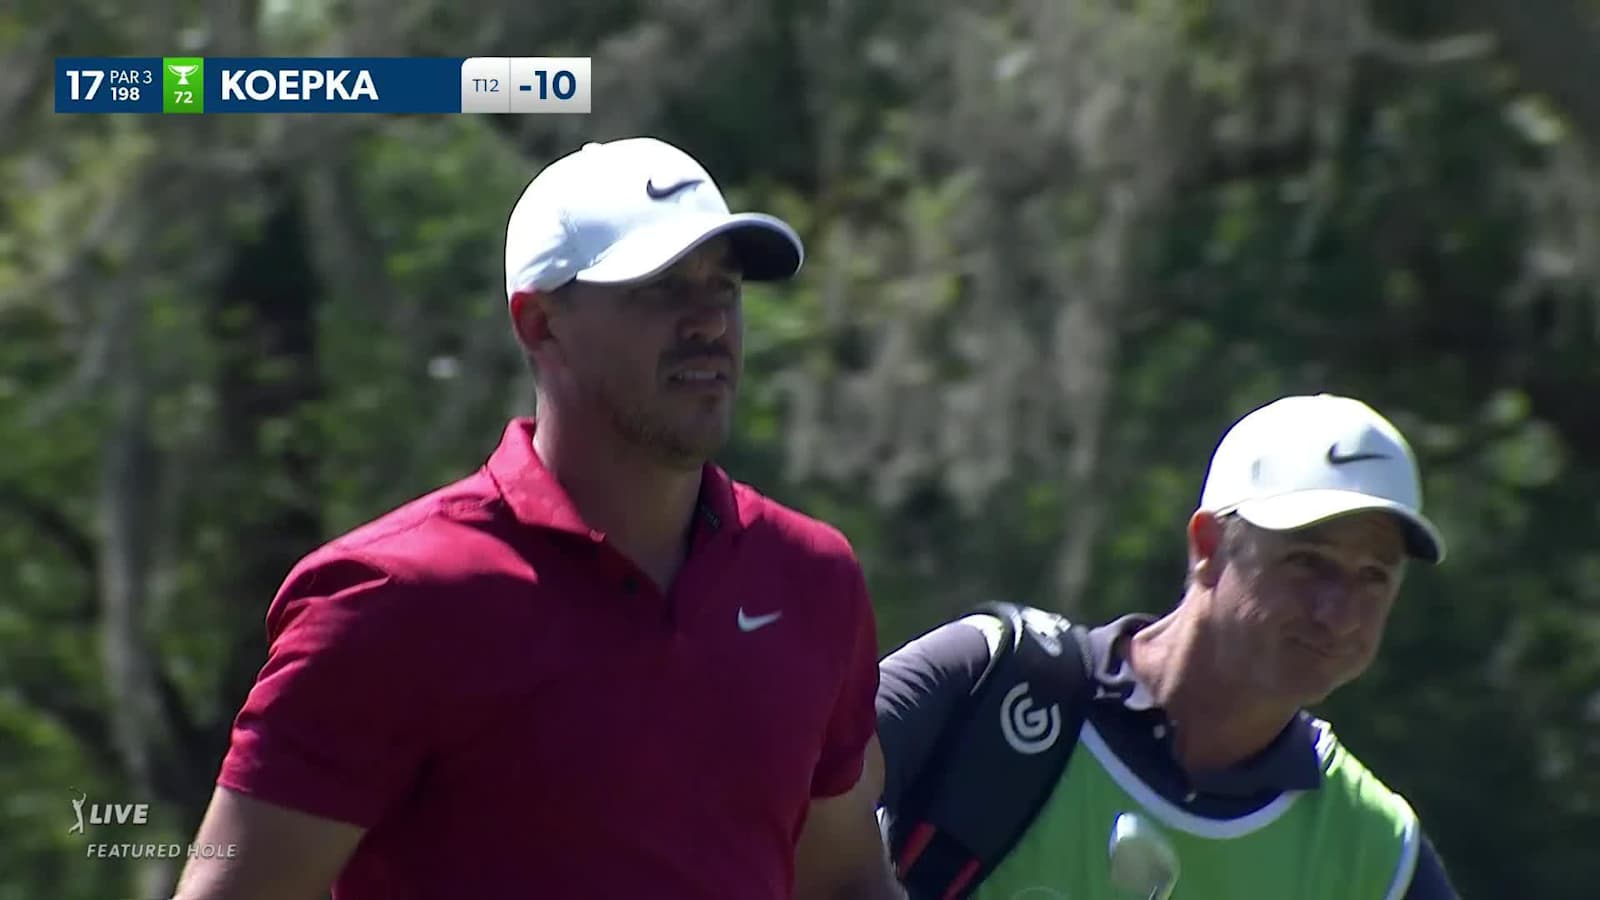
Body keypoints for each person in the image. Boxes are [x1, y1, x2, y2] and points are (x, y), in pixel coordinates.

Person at [173, 137, 901, 900]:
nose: (709, 324)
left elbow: (843, 880)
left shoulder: (811, 579)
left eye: (723, 288)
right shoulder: (392, 598)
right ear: (539, 324)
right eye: (659, 289)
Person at [874, 394, 1463, 899]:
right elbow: (792, 791)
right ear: (1208, 546)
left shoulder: (1375, 850)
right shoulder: (990, 678)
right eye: (1308, 563)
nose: (1336, 613)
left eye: (1373, 577)